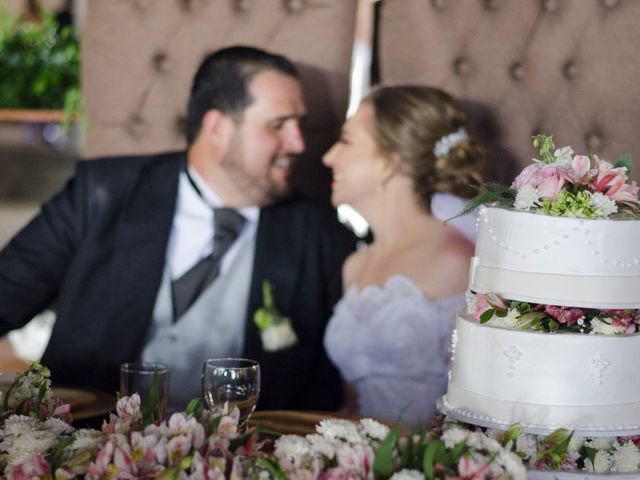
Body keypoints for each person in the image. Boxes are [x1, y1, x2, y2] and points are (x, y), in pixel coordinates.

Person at [0, 46, 356, 411]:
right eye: (278, 125)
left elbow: (322, 391)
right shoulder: (103, 193)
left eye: (300, 126)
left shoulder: (321, 235)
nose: (298, 143)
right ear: (217, 127)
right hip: (84, 443)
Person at [322, 85, 486, 428]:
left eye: (346, 141)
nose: (328, 157)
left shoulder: (456, 261)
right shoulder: (355, 266)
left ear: (390, 162)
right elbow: (352, 401)